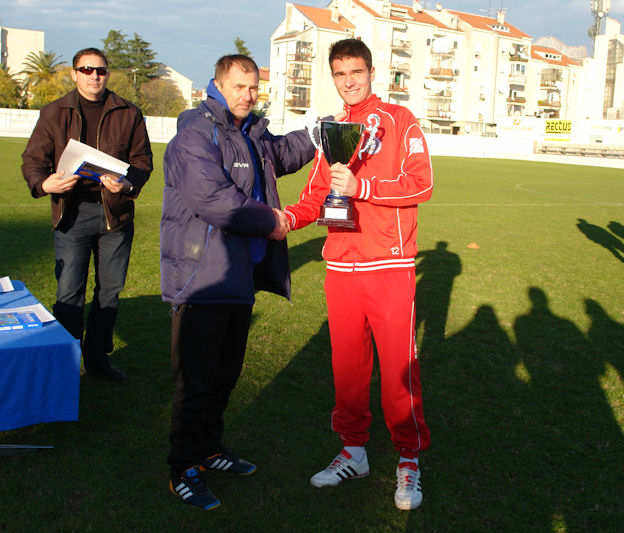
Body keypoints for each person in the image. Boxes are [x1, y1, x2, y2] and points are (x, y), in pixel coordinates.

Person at [282, 38, 433, 511]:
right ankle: (353, 452)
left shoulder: (399, 120)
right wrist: (286, 219)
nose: (349, 82)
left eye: (356, 72)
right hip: (340, 267)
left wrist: (362, 186)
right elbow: (316, 195)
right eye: (340, 74)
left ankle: (408, 459)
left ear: (371, 72)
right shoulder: (331, 130)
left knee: (398, 370)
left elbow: (422, 183)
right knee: (347, 369)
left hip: (389, 265)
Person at [160, 54, 315, 510]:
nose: (248, 95)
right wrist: (271, 221)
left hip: (238, 275)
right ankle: (183, 468)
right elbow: (213, 198)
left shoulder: (251, 134)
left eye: (253, 87)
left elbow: (282, 154)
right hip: (201, 280)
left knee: (225, 374)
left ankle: (209, 449)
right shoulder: (194, 135)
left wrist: (319, 134)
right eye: (239, 86)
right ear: (217, 85)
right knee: (195, 382)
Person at [22, 47, 153, 381]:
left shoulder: (128, 112)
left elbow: (142, 162)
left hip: (115, 214)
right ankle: (65, 362)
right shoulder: (54, 112)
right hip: (72, 213)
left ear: (107, 73)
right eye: (87, 70)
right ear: (74, 73)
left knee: (109, 291)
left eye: (101, 70)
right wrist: (44, 183)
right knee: (69, 292)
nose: (95, 76)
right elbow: (33, 159)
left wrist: (126, 184)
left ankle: (97, 358)